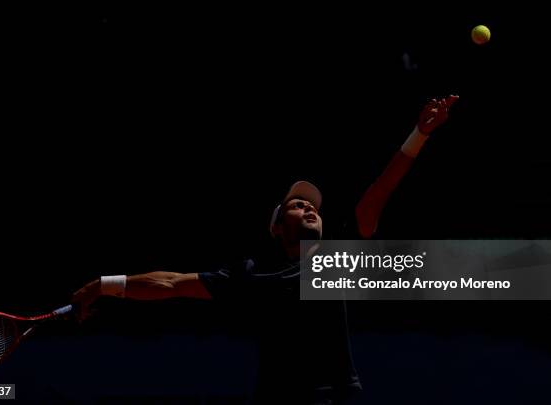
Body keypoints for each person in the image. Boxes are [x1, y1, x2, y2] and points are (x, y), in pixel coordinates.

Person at [72, 95, 459, 404]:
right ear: (276, 227)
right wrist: (102, 285)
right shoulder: (251, 274)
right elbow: (171, 283)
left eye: (314, 207)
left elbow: (377, 195)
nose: (309, 207)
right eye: (297, 204)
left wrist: (419, 134)